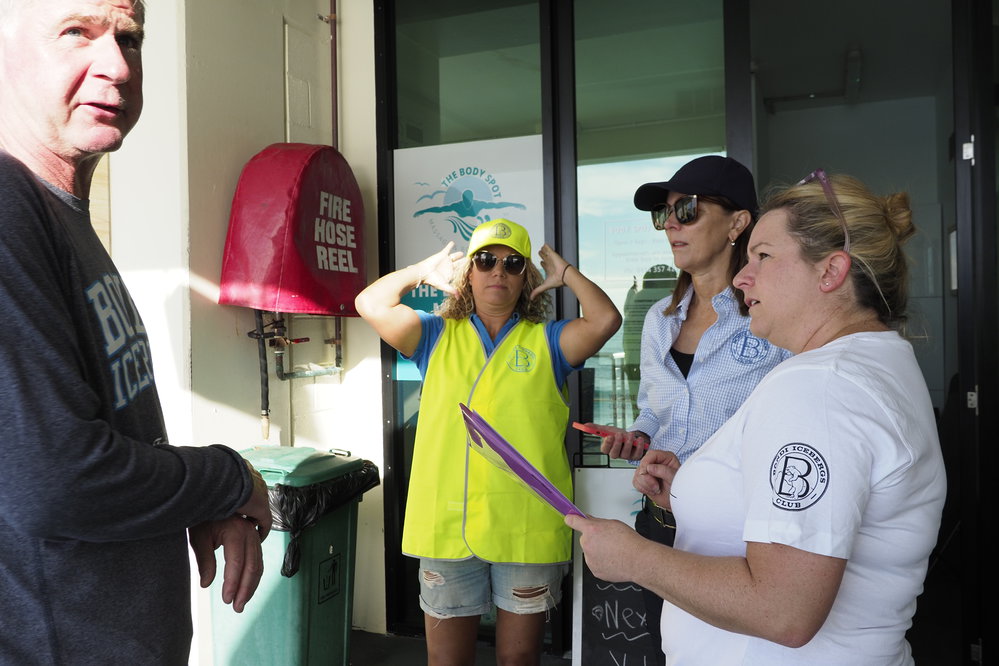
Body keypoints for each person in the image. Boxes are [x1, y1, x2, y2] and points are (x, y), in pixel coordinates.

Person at [568, 170, 947, 664]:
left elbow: (783, 610)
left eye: (764, 256)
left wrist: (634, 557)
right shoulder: (872, 361)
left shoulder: (819, 386)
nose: (744, 278)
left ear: (830, 272)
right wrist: (695, 485)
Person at [0, 1, 272, 662]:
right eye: (76, 33)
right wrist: (230, 478)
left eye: (130, 37)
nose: (117, 66)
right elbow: (57, 480)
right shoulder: (8, 202)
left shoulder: (57, 213)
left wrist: (189, 498)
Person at [355, 218, 620, 665]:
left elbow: (606, 319)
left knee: (517, 661)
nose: (498, 271)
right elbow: (370, 302)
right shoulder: (434, 335)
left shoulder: (549, 342)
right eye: (485, 260)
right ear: (469, 275)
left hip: (525, 529)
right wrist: (422, 271)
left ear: (526, 279)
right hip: (447, 527)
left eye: (513, 263)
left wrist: (567, 274)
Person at [579, 155, 791, 662]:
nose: (671, 223)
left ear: (738, 222)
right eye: (665, 214)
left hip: (736, 526)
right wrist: (639, 439)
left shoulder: (771, 313)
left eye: (688, 210)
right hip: (663, 516)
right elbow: (653, 409)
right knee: (668, 649)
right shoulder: (659, 318)